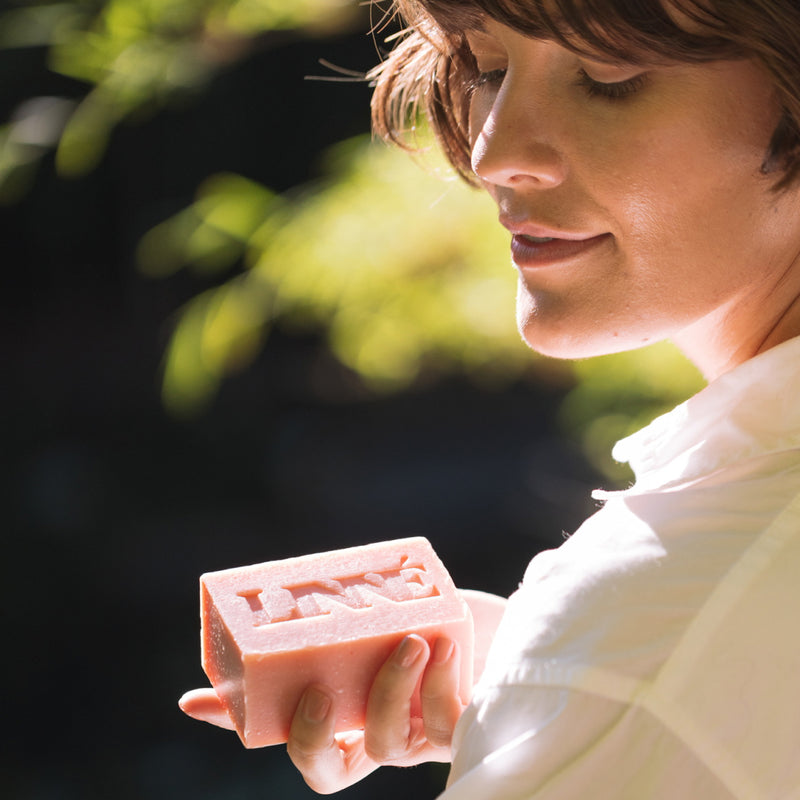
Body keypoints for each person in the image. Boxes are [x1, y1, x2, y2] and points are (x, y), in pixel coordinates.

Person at [180, 0, 800, 796]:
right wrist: (538, 679)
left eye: (609, 78)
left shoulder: (658, 635)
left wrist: (588, 680)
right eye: (489, 70)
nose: (493, 152)